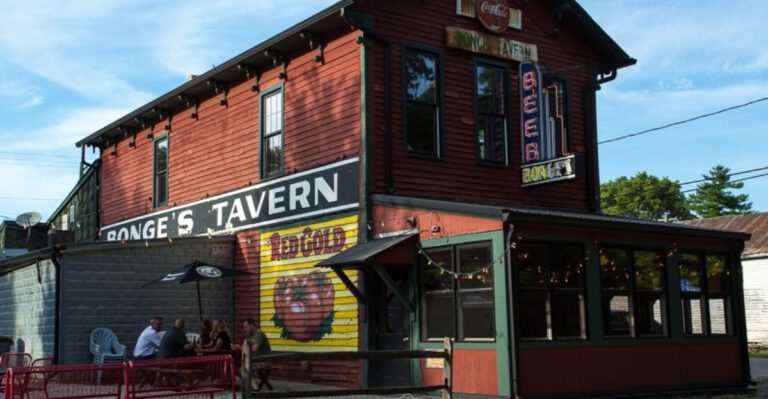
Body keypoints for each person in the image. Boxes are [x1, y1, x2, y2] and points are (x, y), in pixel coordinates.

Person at [235, 318, 272, 391]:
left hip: (264, 361)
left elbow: (254, 349)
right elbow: (244, 347)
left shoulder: (259, 334)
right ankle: (250, 386)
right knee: (236, 367)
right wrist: (238, 347)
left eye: (246, 327)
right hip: (254, 360)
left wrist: (243, 347)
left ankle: (255, 388)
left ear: (251, 325)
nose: (244, 329)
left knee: (242, 368)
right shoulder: (249, 334)